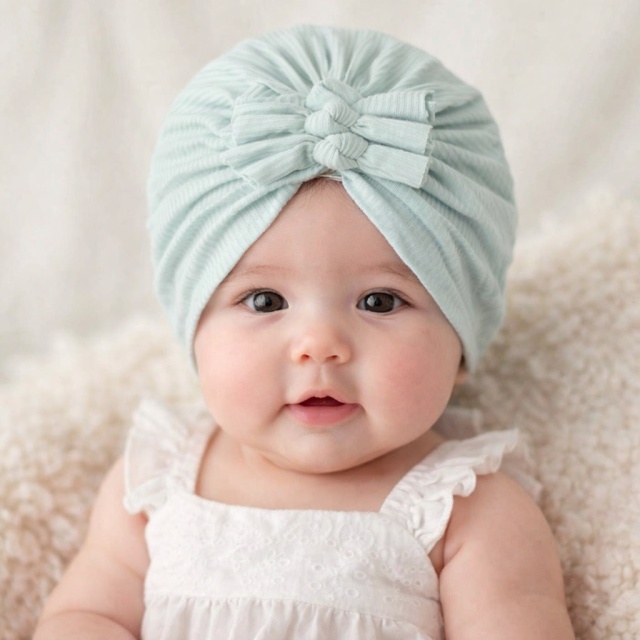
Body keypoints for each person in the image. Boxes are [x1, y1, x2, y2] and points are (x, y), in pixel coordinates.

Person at [33, 25, 575, 639]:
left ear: (461, 343)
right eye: (265, 300)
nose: (319, 344)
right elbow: (82, 617)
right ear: (194, 329)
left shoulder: (465, 511)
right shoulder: (155, 483)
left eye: (379, 300)